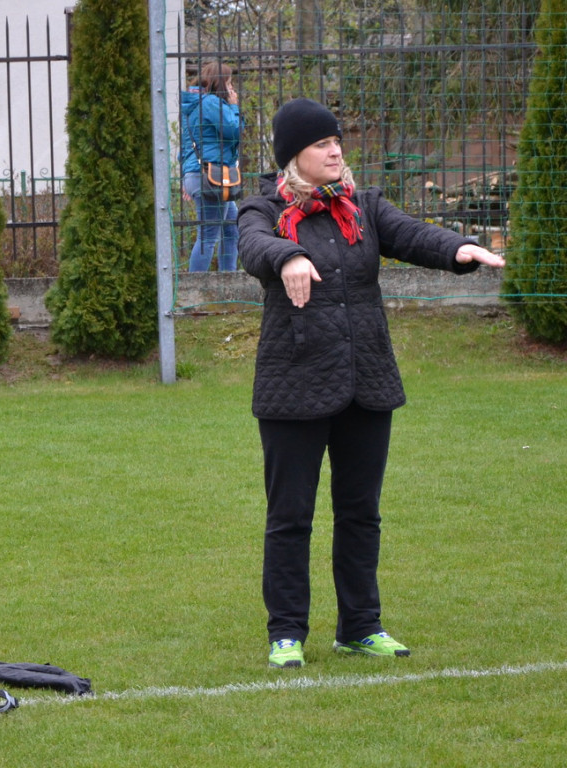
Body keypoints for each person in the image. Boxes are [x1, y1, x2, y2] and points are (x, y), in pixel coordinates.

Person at [237, 99, 504, 669]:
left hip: (367, 383)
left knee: (361, 513)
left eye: (336, 140)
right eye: (320, 144)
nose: (335, 150)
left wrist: (459, 248)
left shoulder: (364, 207)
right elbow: (254, 247)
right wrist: (288, 256)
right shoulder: (261, 208)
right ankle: (286, 634)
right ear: (293, 159)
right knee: (290, 518)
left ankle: (360, 626)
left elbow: (412, 234)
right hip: (294, 388)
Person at [179, 60, 243, 272]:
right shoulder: (210, 103)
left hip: (198, 174)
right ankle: (196, 292)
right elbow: (233, 130)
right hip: (211, 175)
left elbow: (184, 146)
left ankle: (228, 280)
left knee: (231, 228)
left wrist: (186, 178)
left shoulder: (194, 104)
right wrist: (234, 107)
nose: (232, 88)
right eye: (229, 82)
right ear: (220, 82)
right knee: (208, 236)